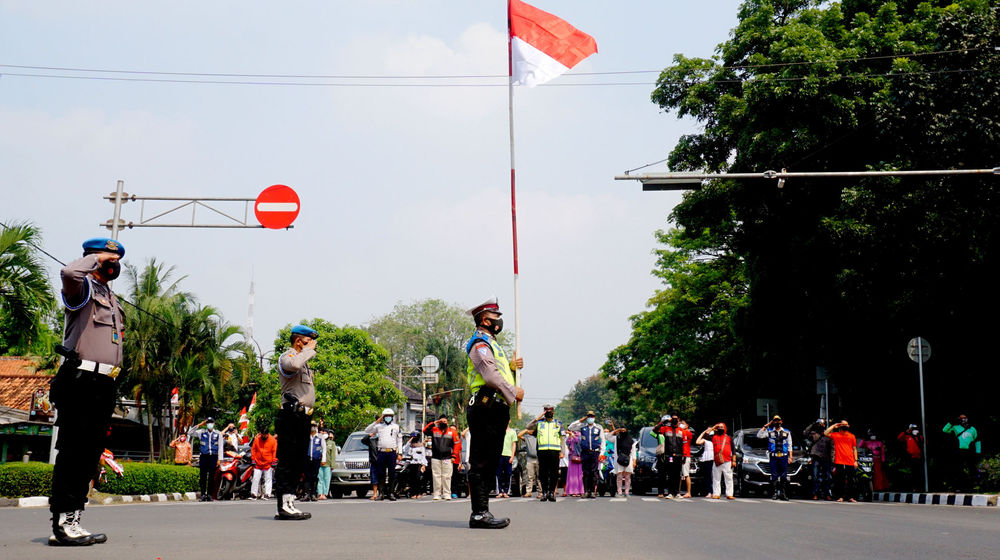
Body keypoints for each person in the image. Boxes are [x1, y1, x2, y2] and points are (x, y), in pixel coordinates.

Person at [47, 238, 125, 546]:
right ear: (92, 259)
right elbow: (68, 274)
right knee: (73, 453)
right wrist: (95, 259)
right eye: (108, 258)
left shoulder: (111, 296)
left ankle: (75, 518)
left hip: (103, 385)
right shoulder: (83, 289)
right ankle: (63, 522)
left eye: (117, 259)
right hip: (80, 380)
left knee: (90, 455)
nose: (113, 263)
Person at [464, 297, 524, 529]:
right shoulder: (479, 343)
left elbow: (498, 371)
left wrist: (511, 368)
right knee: (481, 461)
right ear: (484, 320)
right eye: (495, 318)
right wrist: (514, 391)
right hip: (485, 405)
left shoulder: (492, 343)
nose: (499, 321)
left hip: (496, 407)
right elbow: (489, 376)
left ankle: (483, 510)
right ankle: (479, 513)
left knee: (490, 461)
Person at [274, 324, 320, 520]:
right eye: (310, 341)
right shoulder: (289, 356)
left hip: (302, 417)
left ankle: (291, 500)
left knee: (299, 461)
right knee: (287, 461)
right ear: (299, 340)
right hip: (291, 416)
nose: (313, 345)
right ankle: (283, 504)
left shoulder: (304, 363)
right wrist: (308, 351)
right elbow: (291, 366)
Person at [525, 404, 562, 502]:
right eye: (546, 411)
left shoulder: (558, 423)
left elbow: (563, 438)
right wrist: (538, 417)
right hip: (542, 451)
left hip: (554, 451)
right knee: (543, 473)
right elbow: (528, 427)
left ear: (553, 412)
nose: (548, 413)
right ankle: (544, 492)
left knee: (554, 473)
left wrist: (562, 451)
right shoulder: (540, 423)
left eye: (550, 411)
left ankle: (551, 492)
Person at [365, 408, 403, 501]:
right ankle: (381, 493)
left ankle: (391, 493)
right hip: (381, 452)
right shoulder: (379, 426)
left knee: (392, 474)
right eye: (386, 416)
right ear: (383, 417)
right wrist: (377, 421)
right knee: (381, 473)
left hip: (392, 452)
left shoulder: (396, 427)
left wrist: (400, 453)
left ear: (392, 417)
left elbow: (399, 440)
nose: (388, 418)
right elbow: (367, 430)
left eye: (390, 416)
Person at [568, 411, 605, 499]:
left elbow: (603, 440)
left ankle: (592, 491)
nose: (590, 418)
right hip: (585, 452)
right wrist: (581, 420)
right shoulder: (582, 427)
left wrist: (602, 453)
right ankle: (586, 491)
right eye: (588, 416)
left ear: (594, 417)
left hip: (595, 452)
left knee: (593, 472)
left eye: (591, 416)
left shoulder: (598, 427)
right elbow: (571, 427)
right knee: (585, 472)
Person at [424, 414, 461, 501]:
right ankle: (437, 494)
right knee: (436, 476)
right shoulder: (434, 430)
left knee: (447, 476)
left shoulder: (452, 431)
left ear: (447, 422)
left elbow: (457, 444)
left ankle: (447, 493)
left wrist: (454, 456)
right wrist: (434, 423)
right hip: (436, 457)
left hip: (447, 457)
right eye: (441, 421)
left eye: (444, 421)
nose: (443, 423)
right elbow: (425, 431)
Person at [757, 415, 793, 501]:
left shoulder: (786, 432)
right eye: (775, 420)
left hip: (784, 456)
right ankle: (775, 493)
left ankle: (783, 493)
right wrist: (767, 425)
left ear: (781, 421)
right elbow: (759, 435)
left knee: (784, 476)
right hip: (773, 456)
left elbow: (790, 445)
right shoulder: (769, 431)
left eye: (778, 420)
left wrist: (790, 457)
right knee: (774, 475)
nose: (777, 422)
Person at [188, 417, 224, 502]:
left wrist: (220, 460)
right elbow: (190, 432)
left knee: (211, 477)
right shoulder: (201, 432)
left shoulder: (218, 434)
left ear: (214, 423)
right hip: (204, 456)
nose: (209, 424)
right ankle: (203, 494)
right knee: (203, 476)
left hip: (213, 456)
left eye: (211, 422)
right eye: (208, 422)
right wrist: (200, 425)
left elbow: (220, 447)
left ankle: (210, 495)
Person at [943, 415, 982, 491]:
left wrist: (978, 452)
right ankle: (959, 486)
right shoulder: (956, 427)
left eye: (965, 418)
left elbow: (977, 440)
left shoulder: (972, 429)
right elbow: (944, 430)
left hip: (970, 451)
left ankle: (974, 486)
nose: (964, 420)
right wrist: (950, 423)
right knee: (958, 469)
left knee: (972, 468)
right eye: (962, 419)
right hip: (959, 451)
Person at [651, 414, 684, 499]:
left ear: (679, 420)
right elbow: (654, 430)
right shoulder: (665, 429)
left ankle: (676, 493)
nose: (674, 420)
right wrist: (663, 422)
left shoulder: (681, 430)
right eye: (673, 419)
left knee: (677, 474)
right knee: (670, 474)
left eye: (676, 419)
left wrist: (684, 455)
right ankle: (670, 492)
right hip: (669, 455)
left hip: (679, 455)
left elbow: (685, 444)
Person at [825, 420, 858, 502]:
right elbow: (825, 433)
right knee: (840, 480)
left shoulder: (851, 436)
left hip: (850, 461)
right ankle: (840, 496)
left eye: (846, 425)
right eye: (843, 424)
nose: (844, 426)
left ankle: (851, 497)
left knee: (851, 480)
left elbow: (854, 449)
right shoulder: (836, 435)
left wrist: (856, 460)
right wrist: (834, 425)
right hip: (839, 460)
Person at [607, 425, 636, 498]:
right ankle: (619, 492)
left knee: (627, 477)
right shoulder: (616, 438)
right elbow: (607, 437)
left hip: (628, 460)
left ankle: (627, 492)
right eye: (621, 431)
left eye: (624, 430)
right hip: (619, 459)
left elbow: (633, 451)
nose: (623, 432)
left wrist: (634, 460)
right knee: (619, 477)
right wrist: (617, 430)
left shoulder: (631, 440)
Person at [250, 426, 277, 500]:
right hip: (258, 463)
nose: (264, 436)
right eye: (262, 435)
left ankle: (267, 494)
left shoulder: (273, 440)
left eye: (265, 435)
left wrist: (274, 461)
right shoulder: (257, 439)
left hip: (268, 463)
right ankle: (254, 494)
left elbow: (275, 451)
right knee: (255, 478)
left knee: (268, 479)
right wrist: (253, 459)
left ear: (268, 434)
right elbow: (253, 450)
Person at [807, 425, 833, 500]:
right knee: (815, 477)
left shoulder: (828, 436)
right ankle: (815, 493)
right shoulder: (814, 434)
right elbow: (806, 433)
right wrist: (813, 424)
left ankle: (827, 493)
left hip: (826, 458)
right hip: (816, 457)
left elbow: (832, 448)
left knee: (827, 477)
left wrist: (832, 460)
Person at [710, 423, 736, 499]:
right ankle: (716, 494)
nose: (720, 428)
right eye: (719, 427)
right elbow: (706, 433)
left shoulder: (729, 437)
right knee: (716, 478)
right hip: (717, 461)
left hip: (727, 461)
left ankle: (729, 494)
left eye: (722, 427)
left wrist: (733, 460)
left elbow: (733, 450)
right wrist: (713, 427)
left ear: (725, 428)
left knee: (728, 478)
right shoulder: (713, 437)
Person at [896, 424, 924, 491]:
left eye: (914, 428)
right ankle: (913, 487)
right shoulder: (907, 436)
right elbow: (899, 438)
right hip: (911, 457)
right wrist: (906, 432)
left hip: (919, 457)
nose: (913, 430)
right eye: (912, 428)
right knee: (912, 473)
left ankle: (918, 487)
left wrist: (917, 434)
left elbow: (923, 442)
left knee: (919, 473)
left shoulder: (920, 436)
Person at [302, 423, 325, 501]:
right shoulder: (305, 436)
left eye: (314, 426)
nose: (312, 428)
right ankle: (306, 494)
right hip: (307, 459)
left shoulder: (320, 437)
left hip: (316, 459)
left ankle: (313, 494)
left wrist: (323, 459)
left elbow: (324, 448)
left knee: (314, 477)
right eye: (311, 426)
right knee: (306, 477)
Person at [401, 432, 428, 498]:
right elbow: (404, 450)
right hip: (410, 463)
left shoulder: (421, 446)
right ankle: (413, 493)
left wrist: (424, 465)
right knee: (412, 479)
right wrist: (410, 441)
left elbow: (423, 456)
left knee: (418, 479)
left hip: (418, 464)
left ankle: (418, 493)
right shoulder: (409, 445)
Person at [496, 423, 517, 498]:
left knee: (508, 474)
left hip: (508, 455)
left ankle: (506, 491)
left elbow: (514, 444)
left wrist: (512, 456)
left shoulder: (512, 432)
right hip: (499, 455)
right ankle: (500, 491)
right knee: (499, 474)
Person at [517, 428, 540, 498]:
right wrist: (526, 430)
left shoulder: (539, 437)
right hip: (530, 459)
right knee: (530, 476)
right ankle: (528, 492)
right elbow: (519, 435)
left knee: (539, 476)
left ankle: (541, 492)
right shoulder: (527, 438)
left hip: (538, 458)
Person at [694, 425, 715, 497]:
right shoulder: (705, 440)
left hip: (714, 458)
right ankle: (709, 491)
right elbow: (697, 442)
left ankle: (715, 491)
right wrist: (703, 432)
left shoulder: (715, 439)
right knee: (708, 475)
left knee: (714, 476)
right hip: (707, 458)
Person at [317, 428, 336, 500]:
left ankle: (325, 493)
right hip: (319, 464)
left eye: (325, 433)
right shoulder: (319, 442)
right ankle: (320, 493)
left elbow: (333, 455)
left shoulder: (332, 443)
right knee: (320, 479)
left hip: (328, 464)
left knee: (326, 479)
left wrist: (332, 465)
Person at [677, 419, 694, 498]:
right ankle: (678, 492)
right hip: (679, 455)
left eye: (682, 423)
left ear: (687, 426)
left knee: (686, 474)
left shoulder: (688, 433)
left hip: (685, 455)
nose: (681, 424)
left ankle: (688, 492)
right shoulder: (680, 431)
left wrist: (679, 428)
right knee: (679, 475)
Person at [564, 430, 583, 497]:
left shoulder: (580, 435)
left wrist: (573, 435)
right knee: (572, 476)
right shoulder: (571, 436)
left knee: (580, 475)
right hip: (572, 458)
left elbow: (579, 442)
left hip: (579, 457)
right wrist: (570, 436)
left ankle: (580, 491)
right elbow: (567, 443)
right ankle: (572, 491)